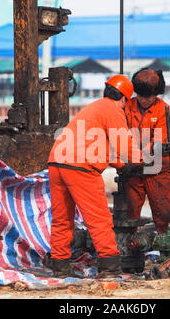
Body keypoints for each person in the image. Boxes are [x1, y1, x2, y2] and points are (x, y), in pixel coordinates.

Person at [47, 74, 142, 279]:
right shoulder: (113, 109)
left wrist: (119, 164)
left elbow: (98, 146)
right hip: (80, 167)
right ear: (124, 99)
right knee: (99, 218)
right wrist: (140, 161)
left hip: (57, 162)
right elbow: (124, 144)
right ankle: (109, 266)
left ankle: (60, 267)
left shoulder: (94, 108)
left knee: (62, 219)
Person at [124, 68, 170, 234]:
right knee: (129, 214)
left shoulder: (165, 110)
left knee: (164, 213)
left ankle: (167, 247)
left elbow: (158, 141)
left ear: (156, 93)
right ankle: (129, 248)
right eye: (140, 95)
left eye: (147, 96)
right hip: (133, 171)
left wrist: (136, 156)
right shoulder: (127, 106)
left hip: (157, 171)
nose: (143, 100)